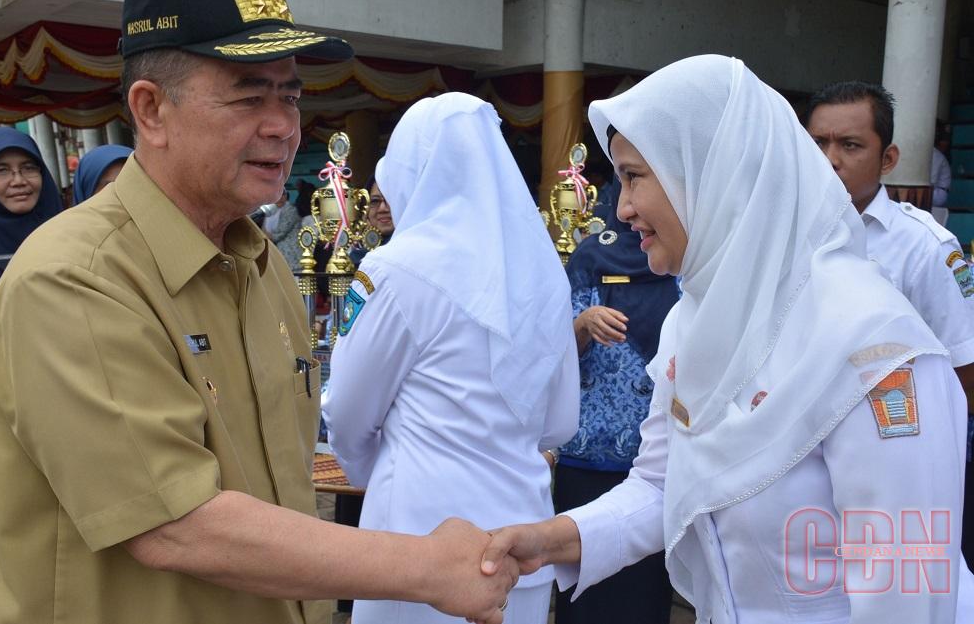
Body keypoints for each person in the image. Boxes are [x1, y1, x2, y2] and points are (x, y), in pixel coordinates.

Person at [0, 0, 517, 624]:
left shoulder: (260, 264)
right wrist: (426, 566)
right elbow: (175, 522)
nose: (283, 125)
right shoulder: (74, 280)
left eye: (289, 94)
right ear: (150, 110)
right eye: (248, 94)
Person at [478, 55, 974, 624]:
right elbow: (665, 487)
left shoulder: (878, 354)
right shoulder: (695, 320)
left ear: (711, 178)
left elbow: (906, 602)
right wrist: (548, 542)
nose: (623, 208)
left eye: (636, 176)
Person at [322, 93, 581, 624]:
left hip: (415, 548)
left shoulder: (394, 270)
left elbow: (347, 414)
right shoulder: (543, 275)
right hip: (521, 547)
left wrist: (384, 469)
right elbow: (560, 423)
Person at [804, 81, 974, 573]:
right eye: (818, 143)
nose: (830, 159)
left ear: (888, 158)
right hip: (800, 455)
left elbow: (964, 371)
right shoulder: (785, 237)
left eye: (850, 145)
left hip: (894, 465)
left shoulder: (925, 247)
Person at [554, 178, 678, 624]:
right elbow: (552, 352)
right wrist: (584, 322)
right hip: (587, 453)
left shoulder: (680, 256)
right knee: (583, 592)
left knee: (643, 595)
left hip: (656, 458)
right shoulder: (590, 257)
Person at [0, 126, 63, 489]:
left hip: (68, 390)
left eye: (29, 167)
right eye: (2, 171)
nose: (18, 180)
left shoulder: (69, 229)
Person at [269, 189, 306, 273]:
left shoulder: (290, 210)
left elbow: (279, 234)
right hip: (280, 254)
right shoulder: (272, 211)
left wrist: (264, 235)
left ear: (285, 196)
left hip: (292, 256)